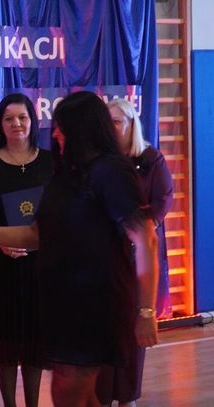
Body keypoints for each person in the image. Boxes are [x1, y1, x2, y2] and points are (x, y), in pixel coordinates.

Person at [0, 91, 159, 407]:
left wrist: (146, 310)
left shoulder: (111, 171)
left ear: (82, 129)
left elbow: (146, 238)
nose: (55, 134)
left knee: (68, 389)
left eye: (62, 128)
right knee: (75, 390)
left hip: (96, 301)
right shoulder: (65, 175)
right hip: (62, 301)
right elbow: (36, 234)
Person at [0, 93, 52, 407]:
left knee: (34, 338)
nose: (16, 123)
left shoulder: (50, 162)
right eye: (8, 118)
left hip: (40, 264)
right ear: (0, 125)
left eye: (22, 117)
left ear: (33, 121)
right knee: (5, 339)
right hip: (0, 262)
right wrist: (0, 240)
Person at [95, 98, 174, 407]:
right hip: (106, 254)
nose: (112, 127)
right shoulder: (101, 162)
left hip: (139, 252)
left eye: (117, 121)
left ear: (132, 125)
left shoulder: (152, 159)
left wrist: (136, 229)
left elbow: (162, 201)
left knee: (133, 328)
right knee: (105, 327)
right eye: (108, 122)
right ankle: (103, 395)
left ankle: (128, 396)